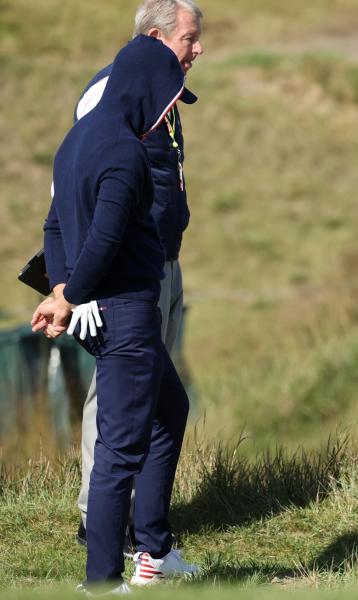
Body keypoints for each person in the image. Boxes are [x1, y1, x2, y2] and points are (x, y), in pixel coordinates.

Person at [32, 35, 198, 591]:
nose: (167, 111)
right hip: (124, 312)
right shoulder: (124, 148)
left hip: (105, 311)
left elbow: (54, 227)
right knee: (120, 449)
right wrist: (68, 295)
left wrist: (62, 287)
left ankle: (152, 549)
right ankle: (102, 580)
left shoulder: (75, 140)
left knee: (169, 408)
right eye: (167, 98)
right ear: (146, 90)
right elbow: (101, 237)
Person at [74, 0, 203, 562]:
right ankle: (101, 523)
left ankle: (144, 532)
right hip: (122, 277)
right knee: (118, 395)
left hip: (162, 265)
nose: (198, 49)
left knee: (154, 399)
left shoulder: (165, 95)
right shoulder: (107, 95)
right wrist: (75, 286)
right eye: (189, 39)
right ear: (155, 36)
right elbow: (76, 185)